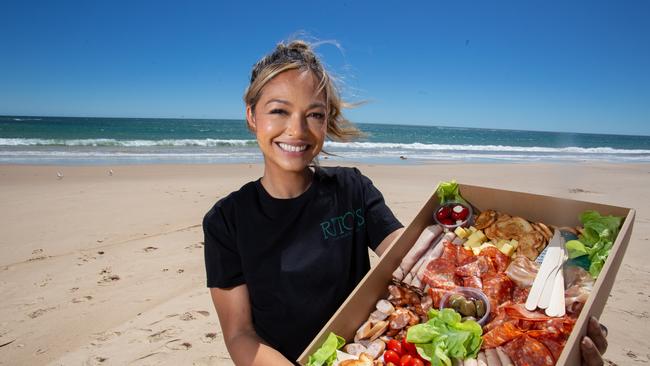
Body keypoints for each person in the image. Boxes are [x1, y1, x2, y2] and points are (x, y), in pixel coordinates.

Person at [203, 40, 608, 366]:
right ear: (252, 115)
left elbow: (412, 255)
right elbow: (240, 334)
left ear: (327, 121)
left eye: (315, 114)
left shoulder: (350, 188)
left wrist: (548, 319)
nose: (297, 129)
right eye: (279, 111)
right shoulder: (226, 220)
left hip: (363, 351)